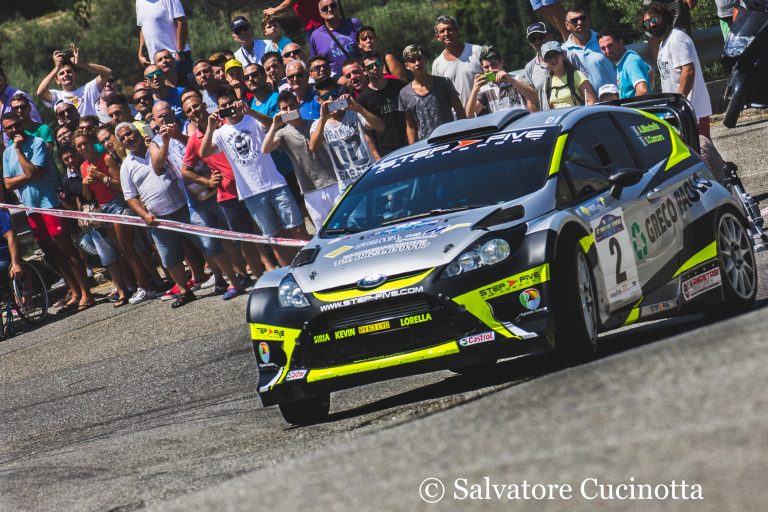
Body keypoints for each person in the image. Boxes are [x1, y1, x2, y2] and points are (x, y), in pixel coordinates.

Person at [200, 87, 309, 266]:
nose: (228, 108)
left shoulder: (252, 118)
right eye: (223, 106)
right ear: (218, 109)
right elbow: (204, 153)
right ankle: (290, 271)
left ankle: (311, 262)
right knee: (273, 238)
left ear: (237, 102)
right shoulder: (219, 132)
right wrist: (211, 127)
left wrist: (250, 111)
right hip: (251, 193)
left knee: (297, 228)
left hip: (275, 184)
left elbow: (275, 124)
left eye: (230, 103)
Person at [149, 101, 246, 299]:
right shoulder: (155, 142)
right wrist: (166, 141)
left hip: (212, 183)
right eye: (160, 117)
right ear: (154, 120)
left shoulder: (188, 126)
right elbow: (157, 168)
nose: (165, 119)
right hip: (191, 195)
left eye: (167, 113)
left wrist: (178, 136)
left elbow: (202, 148)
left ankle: (242, 274)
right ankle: (232, 282)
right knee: (209, 242)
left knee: (230, 233)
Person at [2, 112, 94, 312]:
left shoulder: (37, 143)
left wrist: (19, 151)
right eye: (9, 128)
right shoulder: (6, 154)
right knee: (52, 253)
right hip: (31, 208)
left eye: (16, 125)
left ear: (21, 123)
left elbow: (33, 172)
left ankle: (86, 292)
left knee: (66, 248)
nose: (14, 130)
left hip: (49, 204)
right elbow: (8, 184)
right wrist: (26, 173)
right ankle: (74, 291)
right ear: (5, 130)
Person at [182, 91, 273, 278]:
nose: (194, 111)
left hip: (250, 185)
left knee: (263, 230)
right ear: (187, 116)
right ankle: (260, 277)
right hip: (228, 193)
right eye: (189, 110)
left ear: (204, 105)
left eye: (196, 106)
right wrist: (207, 181)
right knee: (244, 239)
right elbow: (185, 171)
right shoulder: (193, 140)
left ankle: (271, 266)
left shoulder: (227, 120)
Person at [117, 121, 199, 308]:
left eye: (129, 134)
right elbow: (130, 197)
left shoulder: (155, 146)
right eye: (123, 138)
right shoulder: (126, 166)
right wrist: (144, 215)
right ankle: (185, 291)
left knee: (204, 244)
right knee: (170, 258)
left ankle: (220, 279)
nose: (128, 139)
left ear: (138, 133)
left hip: (183, 205)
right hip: (158, 218)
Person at [74, 129, 141, 307]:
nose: (83, 147)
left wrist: (102, 177)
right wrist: (84, 185)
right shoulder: (83, 167)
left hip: (117, 203)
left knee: (129, 249)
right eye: (79, 146)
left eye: (85, 143)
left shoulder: (106, 158)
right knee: (121, 251)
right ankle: (134, 285)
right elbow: (88, 196)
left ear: (91, 143)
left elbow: (121, 186)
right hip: (104, 209)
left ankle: (145, 285)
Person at [263, 90, 341, 230]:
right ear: (280, 111)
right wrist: (274, 126)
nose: (290, 110)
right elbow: (265, 149)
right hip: (310, 189)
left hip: (333, 181)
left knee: (348, 224)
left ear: (298, 104)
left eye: (292, 105)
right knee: (324, 231)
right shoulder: (282, 133)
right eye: (285, 108)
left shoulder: (315, 123)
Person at [643, 2, 712, 137]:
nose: (651, 25)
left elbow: (688, 70)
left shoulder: (676, 39)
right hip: (680, 111)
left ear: (664, 17)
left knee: (701, 146)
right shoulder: (664, 43)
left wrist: (678, 102)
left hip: (693, 109)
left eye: (654, 19)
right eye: (646, 23)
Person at [309, 77, 385, 192]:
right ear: (319, 100)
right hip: (346, 184)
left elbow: (381, 127)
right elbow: (313, 148)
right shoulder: (318, 124)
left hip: (370, 175)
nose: (331, 99)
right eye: (325, 97)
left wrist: (359, 108)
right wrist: (323, 119)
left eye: (333, 94)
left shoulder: (354, 114)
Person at [399, 44, 465, 144]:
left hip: (451, 140)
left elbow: (460, 112)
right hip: (425, 146)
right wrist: (413, 148)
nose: (417, 63)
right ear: (407, 66)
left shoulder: (443, 83)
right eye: (412, 60)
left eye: (419, 58)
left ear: (425, 60)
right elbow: (411, 127)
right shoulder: (404, 93)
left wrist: (464, 137)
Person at [523, 22, 589, 111]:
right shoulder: (529, 67)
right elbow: (531, 101)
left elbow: (586, 86)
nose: (537, 41)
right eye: (533, 39)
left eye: (541, 37)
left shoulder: (569, 56)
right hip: (548, 117)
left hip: (577, 113)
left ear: (550, 36)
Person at [37, 44, 112, 117]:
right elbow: (40, 92)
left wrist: (80, 64)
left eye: (69, 71)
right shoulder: (57, 96)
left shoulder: (88, 90)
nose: (66, 74)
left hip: (89, 125)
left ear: (75, 75)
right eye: (62, 73)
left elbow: (107, 72)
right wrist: (57, 68)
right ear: (57, 80)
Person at [357, 53, 408, 159]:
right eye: (370, 67)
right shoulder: (362, 99)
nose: (375, 68)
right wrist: (376, 156)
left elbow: (411, 115)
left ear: (382, 65)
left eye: (378, 64)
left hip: (408, 143)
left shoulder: (399, 85)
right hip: (385, 152)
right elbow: (367, 132)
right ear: (364, 71)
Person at [465, 45, 536, 118]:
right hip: (502, 125)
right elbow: (469, 115)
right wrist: (474, 90)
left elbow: (535, 98)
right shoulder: (484, 89)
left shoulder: (518, 79)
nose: (491, 69)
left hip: (521, 123)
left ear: (501, 62)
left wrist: (512, 81)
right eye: (486, 67)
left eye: (494, 64)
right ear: (482, 68)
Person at [561, 6, 617, 93]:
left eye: (583, 18)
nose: (580, 22)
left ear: (588, 20)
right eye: (574, 20)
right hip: (588, 101)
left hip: (616, 96)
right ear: (567, 25)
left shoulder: (603, 40)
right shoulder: (564, 51)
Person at [136, 0, 192, 86]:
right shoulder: (139, 2)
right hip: (156, 64)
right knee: (165, 94)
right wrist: (140, 54)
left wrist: (179, 52)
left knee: (186, 92)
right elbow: (143, 27)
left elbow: (181, 22)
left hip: (176, 59)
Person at [430, 15, 483, 105]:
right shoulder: (437, 64)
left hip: (484, 110)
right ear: (438, 37)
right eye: (442, 31)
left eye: (450, 29)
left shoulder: (477, 51)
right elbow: (440, 95)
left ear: (457, 31)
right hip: (456, 113)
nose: (446, 33)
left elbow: (493, 77)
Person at [309, 0, 364, 76]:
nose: (330, 9)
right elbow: (314, 64)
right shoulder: (315, 36)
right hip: (336, 81)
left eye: (333, 6)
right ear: (320, 13)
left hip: (360, 76)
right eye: (325, 8)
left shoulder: (354, 24)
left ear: (338, 8)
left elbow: (369, 45)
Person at [598, 28, 652, 99]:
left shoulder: (630, 61)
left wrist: (632, 106)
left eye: (610, 45)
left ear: (620, 42)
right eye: (603, 48)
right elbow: (650, 71)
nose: (607, 51)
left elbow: (643, 91)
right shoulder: (625, 60)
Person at [540, 41, 597, 108]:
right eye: (548, 57)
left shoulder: (577, 75)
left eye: (555, 55)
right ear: (544, 61)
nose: (552, 59)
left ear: (562, 55)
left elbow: (591, 102)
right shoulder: (547, 84)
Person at [1, 65, 42, 146]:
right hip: (11, 150)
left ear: (5, 78)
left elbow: (36, 127)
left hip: (30, 149)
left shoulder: (19, 97)